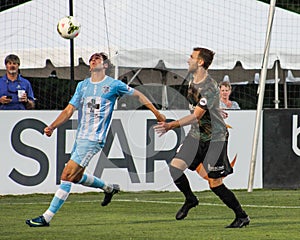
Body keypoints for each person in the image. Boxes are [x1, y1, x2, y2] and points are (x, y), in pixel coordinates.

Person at [26, 52, 166, 227]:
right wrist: (53, 126)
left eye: (97, 58)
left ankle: (46, 217)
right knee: (76, 177)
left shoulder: (113, 85)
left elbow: (138, 95)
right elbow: (69, 110)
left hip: (93, 139)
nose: (93, 60)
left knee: (66, 175)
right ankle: (109, 188)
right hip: (80, 137)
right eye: (91, 59)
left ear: (105, 65)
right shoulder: (83, 86)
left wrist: (157, 113)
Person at [154, 47, 250, 228]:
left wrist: (171, 125)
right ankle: (190, 199)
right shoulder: (193, 81)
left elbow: (195, 116)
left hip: (215, 138)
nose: (188, 60)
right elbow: (201, 109)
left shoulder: (209, 86)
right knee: (175, 167)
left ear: (200, 62)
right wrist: (215, 109)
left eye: (191, 57)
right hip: (196, 134)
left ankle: (242, 216)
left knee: (215, 184)